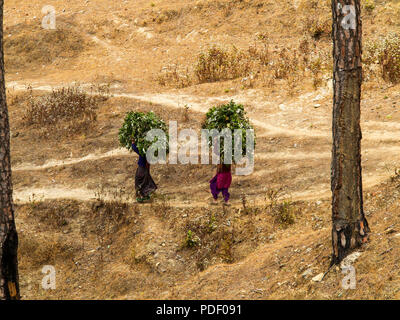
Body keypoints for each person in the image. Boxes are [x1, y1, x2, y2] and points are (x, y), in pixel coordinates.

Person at [131, 139, 157, 203]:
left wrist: (133, 142)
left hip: (142, 168)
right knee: (145, 180)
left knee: (139, 181)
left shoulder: (143, 152)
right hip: (145, 168)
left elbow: (135, 148)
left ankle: (141, 196)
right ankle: (145, 195)